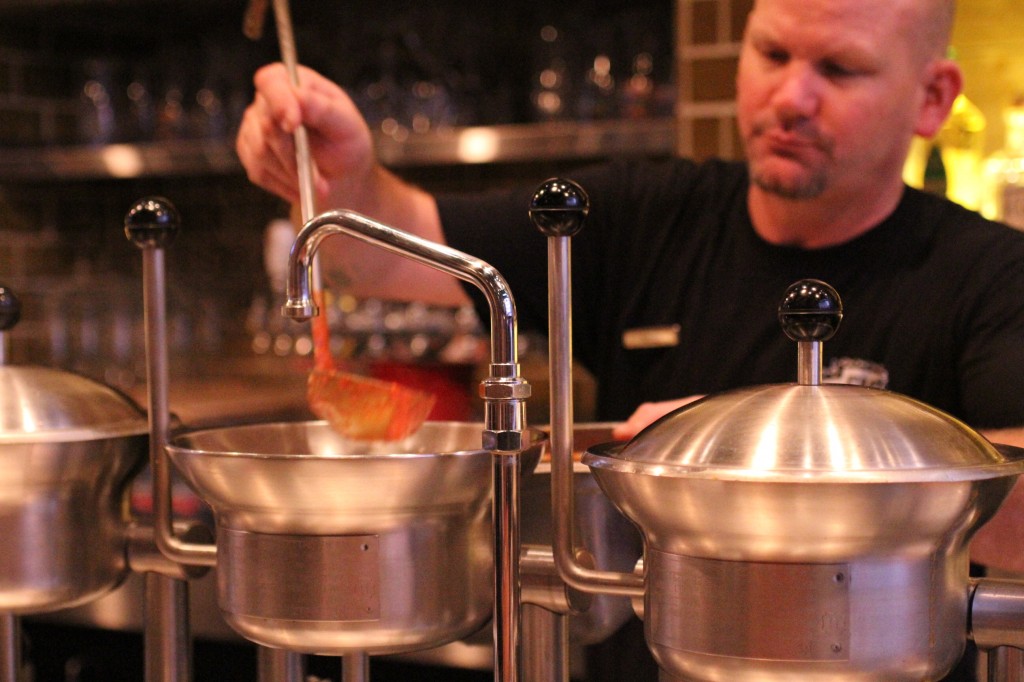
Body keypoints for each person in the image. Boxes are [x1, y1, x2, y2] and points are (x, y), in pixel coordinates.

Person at [236, 0, 1024, 678]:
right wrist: (340, 180)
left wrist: (734, 465)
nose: (792, 96)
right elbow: (386, 249)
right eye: (772, 53)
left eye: (841, 70)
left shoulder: (990, 273)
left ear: (932, 97)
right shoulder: (647, 215)